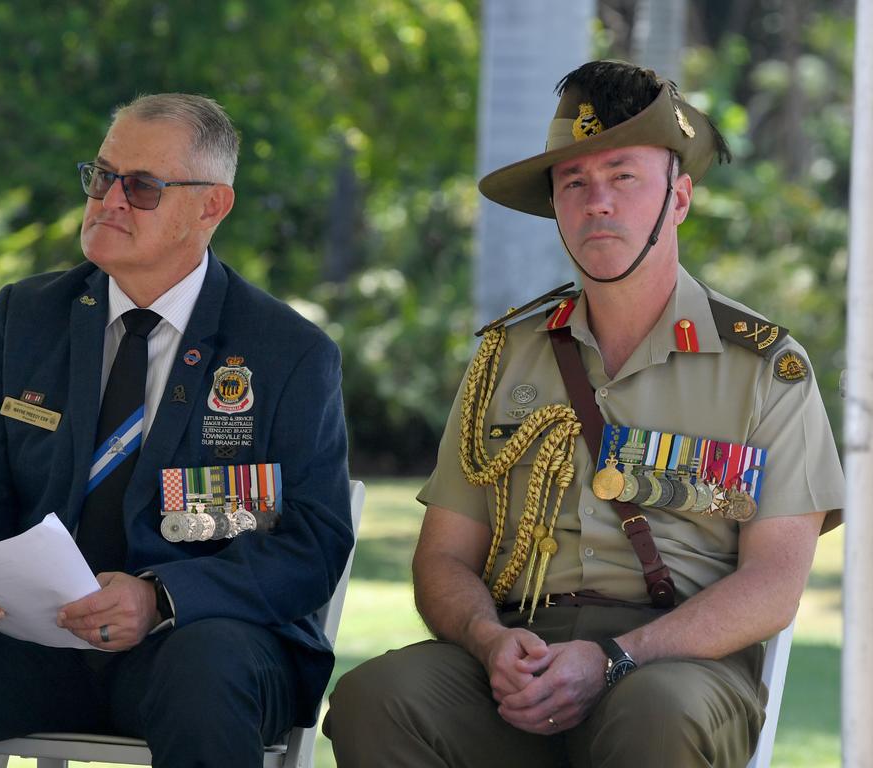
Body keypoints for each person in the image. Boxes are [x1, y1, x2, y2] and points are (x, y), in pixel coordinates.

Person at [323, 60, 844, 767]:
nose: (597, 200)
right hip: (516, 651)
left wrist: (614, 658)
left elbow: (774, 587)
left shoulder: (764, 367)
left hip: (675, 659)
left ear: (679, 198)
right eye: (575, 182)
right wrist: (488, 640)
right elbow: (442, 557)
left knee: (656, 715)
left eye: (623, 176)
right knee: (376, 696)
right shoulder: (506, 355)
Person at [0, 93, 352, 768]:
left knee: (206, 673)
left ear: (211, 207)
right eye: (102, 176)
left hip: (195, 644)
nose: (109, 200)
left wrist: (159, 598)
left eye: (142, 187)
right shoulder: (28, 317)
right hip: (32, 643)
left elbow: (311, 545)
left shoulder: (286, 351)